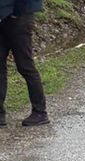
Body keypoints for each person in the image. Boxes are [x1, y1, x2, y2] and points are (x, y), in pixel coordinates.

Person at [0, 0, 48, 128]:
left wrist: (17, 12)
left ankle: (40, 112)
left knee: (25, 66)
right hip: (4, 16)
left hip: (18, 17)